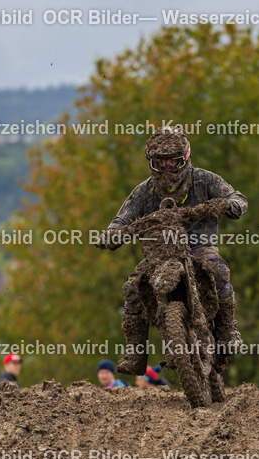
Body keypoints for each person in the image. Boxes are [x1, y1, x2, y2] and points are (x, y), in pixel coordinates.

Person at [103, 126, 247, 375]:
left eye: (173, 162)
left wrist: (232, 204)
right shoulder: (143, 191)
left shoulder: (205, 180)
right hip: (159, 254)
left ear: (185, 158)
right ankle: (136, 352)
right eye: (161, 163)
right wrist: (112, 233)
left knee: (218, 269)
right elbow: (121, 219)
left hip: (199, 247)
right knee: (133, 286)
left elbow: (237, 197)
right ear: (151, 163)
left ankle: (227, 331)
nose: (167, 169)